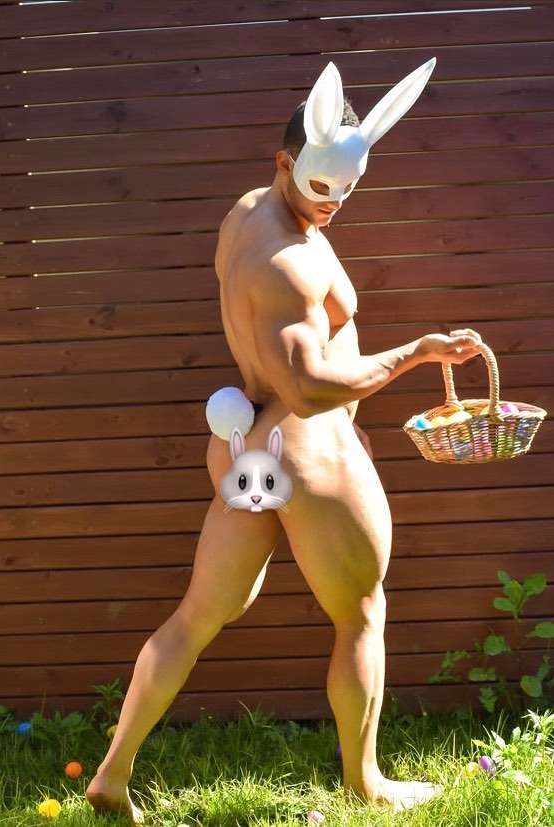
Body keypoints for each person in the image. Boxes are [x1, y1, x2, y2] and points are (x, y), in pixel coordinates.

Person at [86, 59, 481, 821]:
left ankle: (113, 770)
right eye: (321, 185)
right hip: (306, 446)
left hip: (251, 451)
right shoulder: (288, 263)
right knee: (360, 613)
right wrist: (416, 352)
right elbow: (306, 387)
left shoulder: (247, 214)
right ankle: (365, 780)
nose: (333, 202)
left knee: (197, 615)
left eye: (348, 188)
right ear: (283, 162)